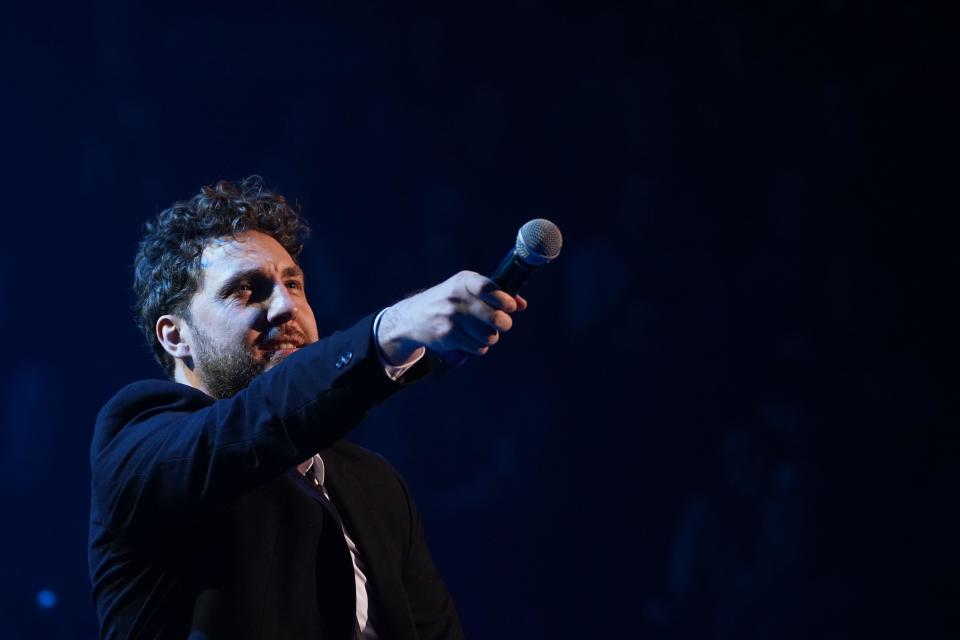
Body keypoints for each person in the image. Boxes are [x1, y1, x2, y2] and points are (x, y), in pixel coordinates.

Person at [88, 177, 527, 639]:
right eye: (246, 290)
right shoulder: (138, 446)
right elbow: (250, 428)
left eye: (293, 284)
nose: (285, 307)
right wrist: (390, 332)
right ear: (175, 335)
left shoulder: (373, 485)